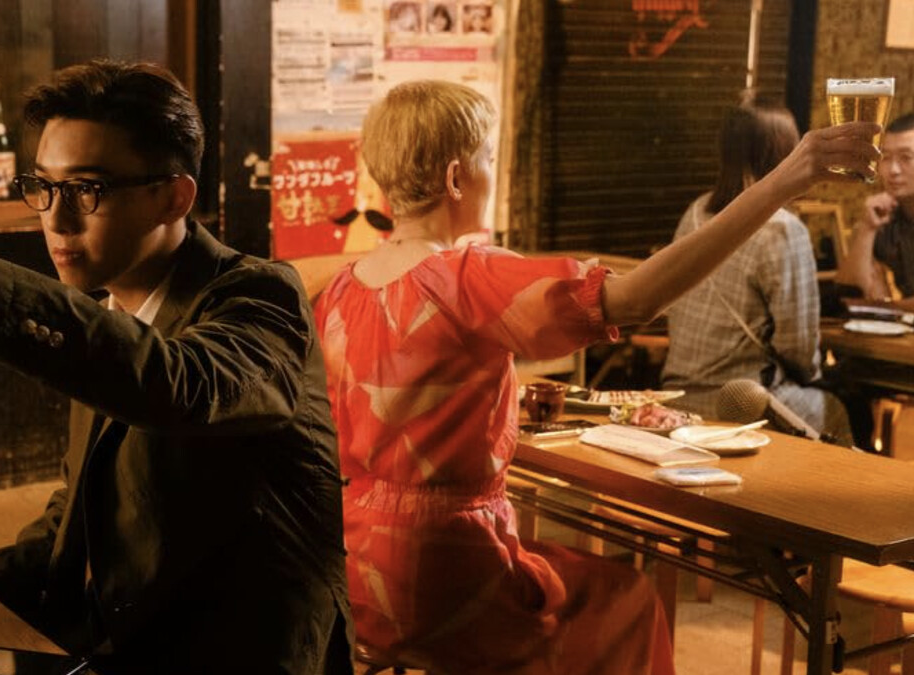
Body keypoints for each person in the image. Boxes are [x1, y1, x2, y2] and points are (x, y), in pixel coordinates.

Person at [0, 60, 352, 674]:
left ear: (174, 197)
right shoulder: (108, 311)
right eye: (44, 187)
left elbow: (181, 384)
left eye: (87, 189)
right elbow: (77, 506)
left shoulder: (261, 295)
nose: (56, 218)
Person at [314, 80, 878, 674]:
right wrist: (782, 182)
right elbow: (634, 301)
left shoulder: (343, 289)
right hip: (448, 574)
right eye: (489, 159)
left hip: (355, 571)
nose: (492, 175)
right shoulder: (464, 276)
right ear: (457, 178)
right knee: (627, 600)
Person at [661, 95, 854, 445]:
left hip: (677, 397)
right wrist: (818, 373)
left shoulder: (695, 212)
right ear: (784, 156)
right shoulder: (783, 229)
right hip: (742, 403)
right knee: (840, 408)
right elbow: (798, 347)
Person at [837, 113, 914, 309]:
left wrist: (886, 306)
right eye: (885, 158)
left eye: (906, 158)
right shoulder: (886, 215)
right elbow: (849, 292)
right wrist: (867, 228)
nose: (893, 170)